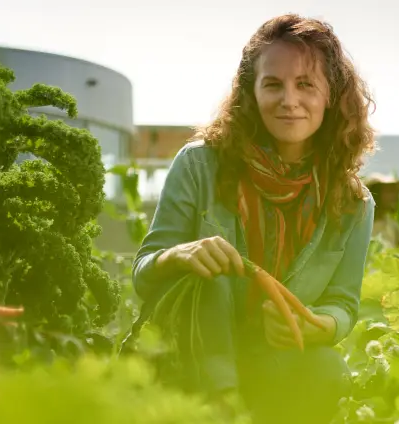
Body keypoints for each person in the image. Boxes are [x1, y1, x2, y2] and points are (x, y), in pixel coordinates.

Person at [132, 14, 376, 424]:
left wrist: (322, 325)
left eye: (305, 85)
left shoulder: (352, 202)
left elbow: (344, 302)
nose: (289, 100)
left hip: (272, 355)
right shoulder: (199, 164)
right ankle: (223, 408)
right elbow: (143, 273)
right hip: (189, 354)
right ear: (252, 91)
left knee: (328, 370)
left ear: (330, 96)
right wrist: (179, 255)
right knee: (216, 271)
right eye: (273, 84)